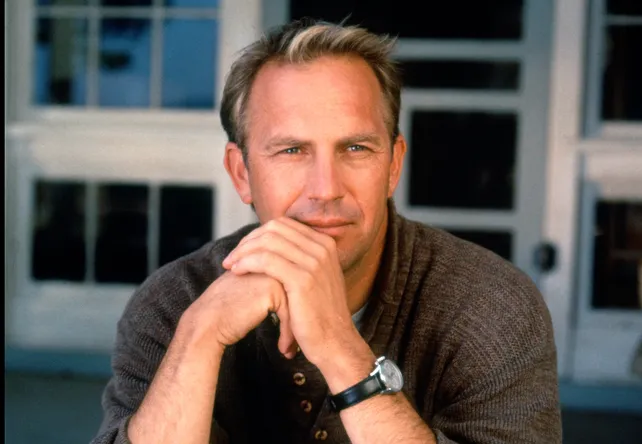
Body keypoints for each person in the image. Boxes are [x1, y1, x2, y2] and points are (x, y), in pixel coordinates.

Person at [92, 18, 562, 444]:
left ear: (393, 165)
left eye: (355, 148)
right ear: (241, 173)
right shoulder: (175, 302)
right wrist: (199, 335)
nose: (326, 188)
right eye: (292, 150)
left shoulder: (492, 307)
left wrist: (340, 348)